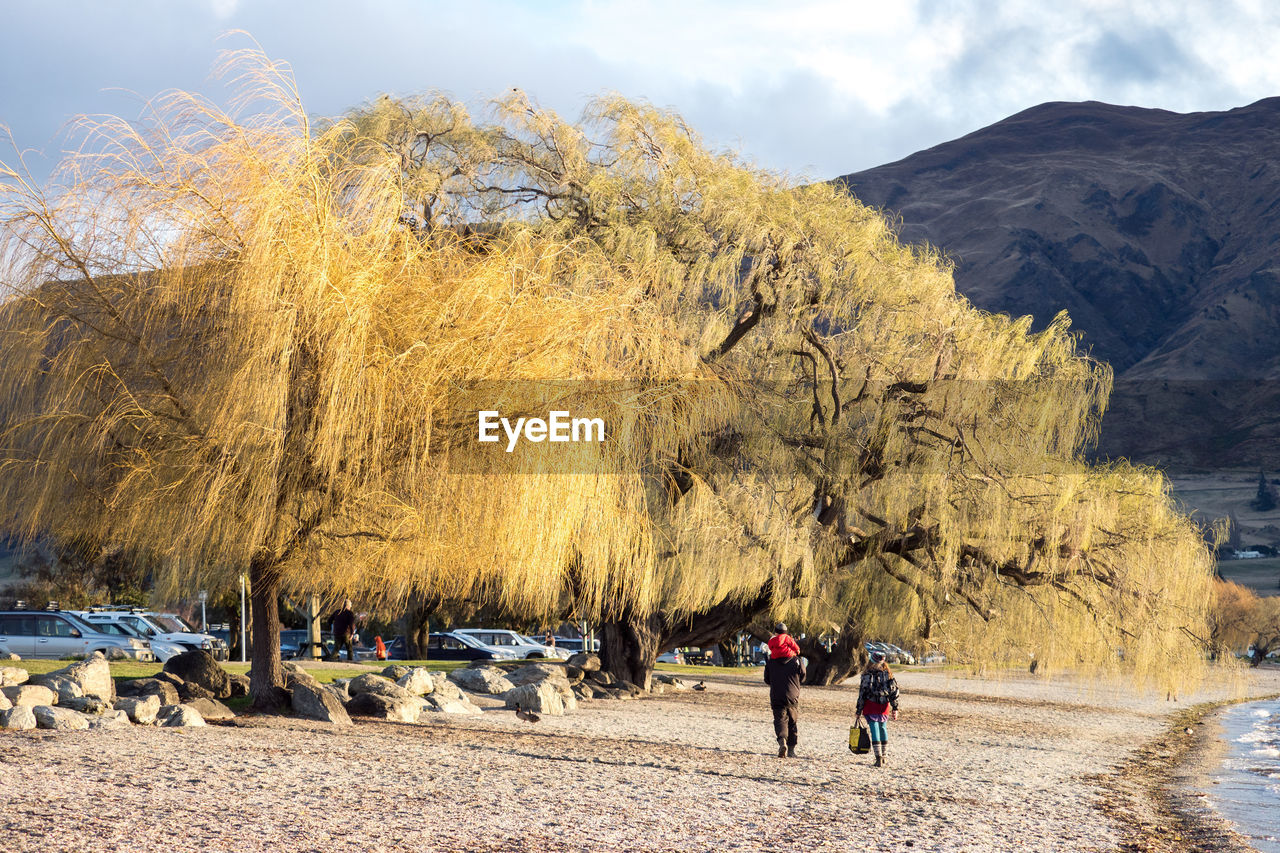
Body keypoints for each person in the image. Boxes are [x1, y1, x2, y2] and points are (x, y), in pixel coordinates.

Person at [763, 622, 806, 758]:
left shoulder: (771, 660)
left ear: (775, 634)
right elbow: (803, 676)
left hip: (777, 693)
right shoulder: (796, 660)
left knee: (780, 719)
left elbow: (767, 679)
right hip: (792, 694)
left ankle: (782, 741)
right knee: (792, 721)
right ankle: (792, 750)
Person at [855, 650, 901, 767]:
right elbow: (894, 691)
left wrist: (859, 710)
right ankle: (884, 756)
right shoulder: (888, 674)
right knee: (883, 728)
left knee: (875, 729)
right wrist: (895, 707)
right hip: (884, 705)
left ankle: (878, 757)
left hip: (870, 705)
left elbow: (863, 693)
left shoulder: (867, 674)